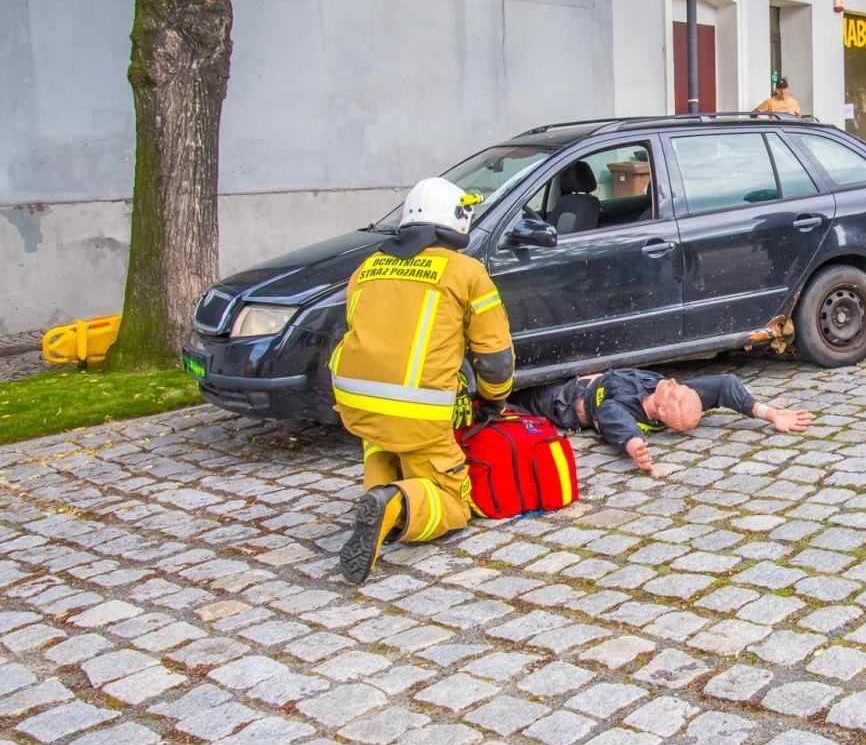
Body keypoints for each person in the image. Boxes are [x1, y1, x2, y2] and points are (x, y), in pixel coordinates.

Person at [331, 178, 514, 584]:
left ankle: (379, 498)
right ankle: (395, 501)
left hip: (356, 404)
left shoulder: (368, 266)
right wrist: (494, 398)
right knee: (452, 502)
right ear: (457, 219)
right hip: (419, 414)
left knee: (383, 446)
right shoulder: (465, 271)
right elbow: (495, 355)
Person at [517, 368, 813, 473]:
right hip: (592, 373)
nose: (672, 382)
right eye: (677, 385)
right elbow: (724, 385)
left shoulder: (623, 408)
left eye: (672, 390)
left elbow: (616, 422)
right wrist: (770, 413)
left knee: (519, 398)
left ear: (661, 412)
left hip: (565, 401)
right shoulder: (677, 398)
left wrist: (635, 448)